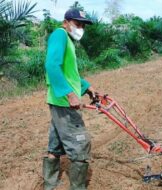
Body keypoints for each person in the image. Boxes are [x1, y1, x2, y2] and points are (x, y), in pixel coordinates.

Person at [43, 8, 95, 190]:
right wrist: (71, 94)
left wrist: (87, 87)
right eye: (77, 24)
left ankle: (50, 184)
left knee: (55, 146)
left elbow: (70, 74)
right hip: (65, 103)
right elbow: (51, 66)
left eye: (83, 26)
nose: (81, 28)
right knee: (81, 146)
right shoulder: (60, 35)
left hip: (59, 103)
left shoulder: (69, 41)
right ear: (66, 22)